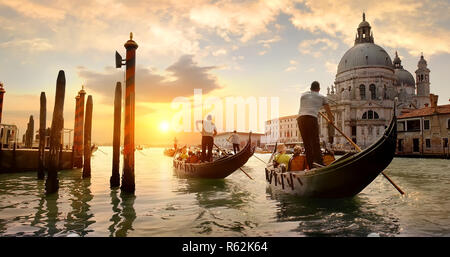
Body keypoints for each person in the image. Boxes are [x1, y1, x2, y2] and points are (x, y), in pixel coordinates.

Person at [297, 81, 334, 169]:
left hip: (300, 119)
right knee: (315, 142)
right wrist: (331, 120)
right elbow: (329, 112)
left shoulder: (303, 95)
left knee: (307, 144)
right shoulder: (322, 97)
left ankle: (311, 166)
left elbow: (309, 104)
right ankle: (320, 163)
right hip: (311, 118)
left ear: (310, 88)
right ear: (319, 89)